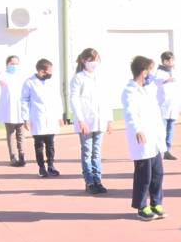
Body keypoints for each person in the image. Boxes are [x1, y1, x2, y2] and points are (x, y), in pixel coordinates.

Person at [122, 56, 168, 221]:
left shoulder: (149, 88)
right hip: (141, 137)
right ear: (143, 72)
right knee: (144, 175)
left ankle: (156, 202)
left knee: (158, 173)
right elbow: (129, 113)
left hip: (154, 137)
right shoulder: (130, 90)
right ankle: (142, 206)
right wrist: (137, 130)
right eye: (150, 70)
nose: (152, 74)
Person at [70, 48, 114, 195]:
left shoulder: (101, 77)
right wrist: (81, 120)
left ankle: (98, 180)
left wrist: (109, 119)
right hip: (86, 121)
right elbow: (74, 100)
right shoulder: (78, 78)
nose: (94, 63)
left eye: (96, 59)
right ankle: (89, 182)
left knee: (96, 152)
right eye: (91, 60)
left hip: (100, 120)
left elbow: (106, 99)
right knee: (87, 151)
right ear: (83, 61)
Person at [21, 59, 63, 178]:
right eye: (49, 71)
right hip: (37, 117)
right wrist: (25, 118)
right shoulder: (29, 82)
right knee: (39, 145)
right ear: (41, 71)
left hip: (51, 117)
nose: (51, 73)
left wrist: (60, 115)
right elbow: (24, 100)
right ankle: (41, 168)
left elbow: (57, 99)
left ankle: (51, 165)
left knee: (50, 144)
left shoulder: (51, 82)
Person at [0, 55, 27, 167]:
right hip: (8, 108)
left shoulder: (22, 76)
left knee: (21, 134)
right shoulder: (3, 75)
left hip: (20, 108)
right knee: (11, 134)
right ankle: (13, 157)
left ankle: (22, 155)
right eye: (12, 63)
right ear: (7, 64)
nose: (14, 66)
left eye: (16, 63)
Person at [153, 51, 181, 160]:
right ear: (163, 61)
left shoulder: (175, 71)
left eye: (172, 59)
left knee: (170, 129)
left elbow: (179, 89)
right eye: (168, 60)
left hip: (173, 105)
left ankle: (167, 151)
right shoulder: (159, 72)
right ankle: (158, 150)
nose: (170, 62)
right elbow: (156, 81)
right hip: (163, 105)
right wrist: (166, 80)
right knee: (162, 129)